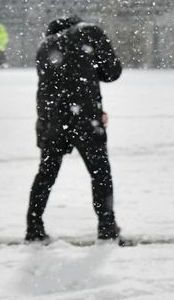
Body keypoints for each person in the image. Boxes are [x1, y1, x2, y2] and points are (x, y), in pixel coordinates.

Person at [25, 16, 123, 243]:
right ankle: (106, 227)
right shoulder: (88, 32)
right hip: (84, 118)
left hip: (52, 119)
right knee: (100, 173)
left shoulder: (44, 47)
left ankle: (33, 226)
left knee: (46, 174)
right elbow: (112, 72)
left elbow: (49, 88)